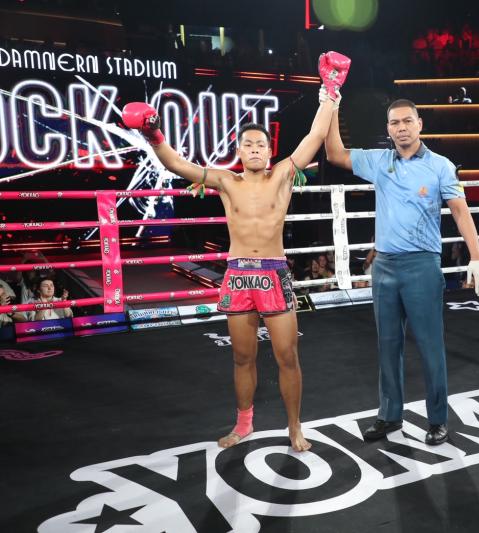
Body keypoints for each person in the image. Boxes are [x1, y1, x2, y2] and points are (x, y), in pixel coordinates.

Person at [122, 51, 351, 452]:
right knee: (242, 358)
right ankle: (244, 423)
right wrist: (153, 134)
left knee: (287, 356)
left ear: (269, 149)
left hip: (274, 272)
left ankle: (294, 427)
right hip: (239, 274)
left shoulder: (284, 174)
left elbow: (315, 136)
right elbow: (177, 165)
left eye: (261, 144)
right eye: (249, 144)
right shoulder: (226, 181)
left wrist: (330, 92)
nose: (256, 149)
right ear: (240, 151)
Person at [325, 97, 479, 445]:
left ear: (419, 124)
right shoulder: (379, 161)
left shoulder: (441, 166)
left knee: (430, 346)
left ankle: (438, 420)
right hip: (384, 266)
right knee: (387, 345)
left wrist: (476, 256)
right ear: (388, 129)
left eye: (407, 121)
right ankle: (389, 415)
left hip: (422, 265)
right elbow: (335, 154)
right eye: (395, 123)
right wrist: (333, 105)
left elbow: (460, 210)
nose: (401, 128)